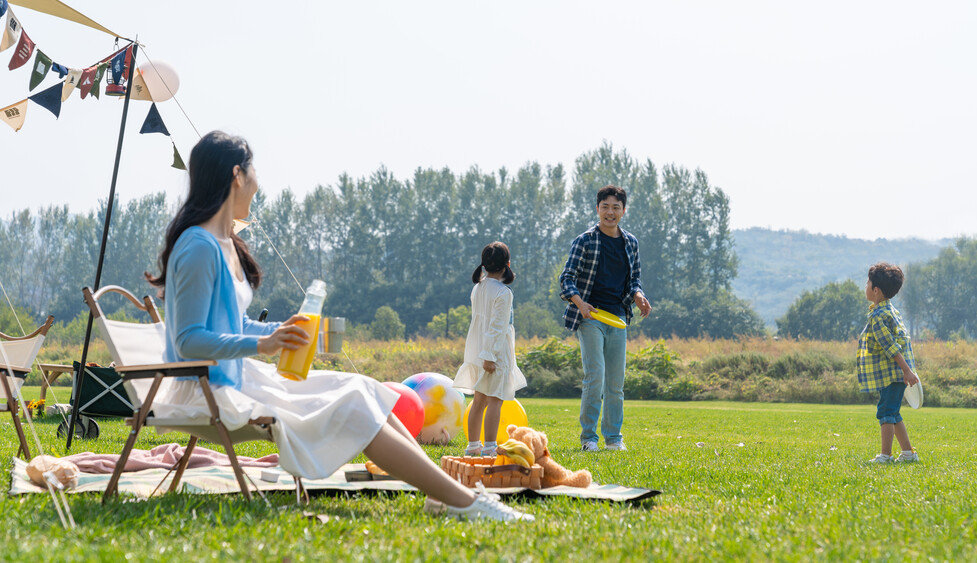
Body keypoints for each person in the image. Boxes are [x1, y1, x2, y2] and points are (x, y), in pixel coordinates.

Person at [146, 131, 533, 522]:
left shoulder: (222, 242)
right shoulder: (198, 246)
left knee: (364, 387)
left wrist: (281, 331)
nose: (258, 182)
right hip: (208, 392)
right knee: (352, 405)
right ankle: (465, 503)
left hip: (237, 378)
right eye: (254, 171)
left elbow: (234, 324)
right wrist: (265, 346)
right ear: (236, 176)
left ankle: (445, 494)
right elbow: (189, 341)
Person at [559, 185, 652, 452]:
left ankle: (614, 438)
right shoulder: (585, 240)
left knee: (615, 382)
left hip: (618, 318)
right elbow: (566, 279)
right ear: (597, 208)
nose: (610, 212)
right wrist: (580, 303)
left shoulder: (630, 242)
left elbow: (634, 279)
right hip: (590, 316)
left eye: (616, 207)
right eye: (605, 207)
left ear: (623, 210)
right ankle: (589, 438)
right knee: (595, 377)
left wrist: (638, 294)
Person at [453, 242, 527, 457]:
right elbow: (497, 327)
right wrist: (490, 356)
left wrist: (483, 354)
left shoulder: (478, 287)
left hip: (476, 349)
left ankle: (473, 446)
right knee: (495, 399)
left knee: (479, 399)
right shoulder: (503, 292)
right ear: (507, 264)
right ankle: (489, 447)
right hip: (494, 352)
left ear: (484, 265)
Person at [857, 262, 920, 464]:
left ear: (876, 290)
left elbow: (891, 347)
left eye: (868, 283)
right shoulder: (891, 310)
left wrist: (907, 371)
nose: (865, 285)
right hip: (896, 374)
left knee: (885, 412)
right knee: (893, 412)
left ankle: (885, 455)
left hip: (893, 374)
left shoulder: (878, 316)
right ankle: (908, 453)